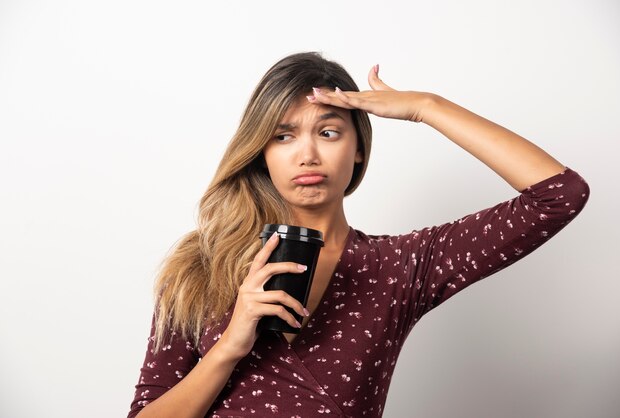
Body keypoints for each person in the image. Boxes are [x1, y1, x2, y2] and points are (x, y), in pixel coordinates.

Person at [127, 52, 589, 418]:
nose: (307, 154)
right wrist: (229, 346)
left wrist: (425, 108)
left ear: (359, 151)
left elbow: (559, 195)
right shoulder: (200, 265)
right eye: (284, 137)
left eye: (328, 132)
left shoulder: (399, 266)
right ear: (260, 153)